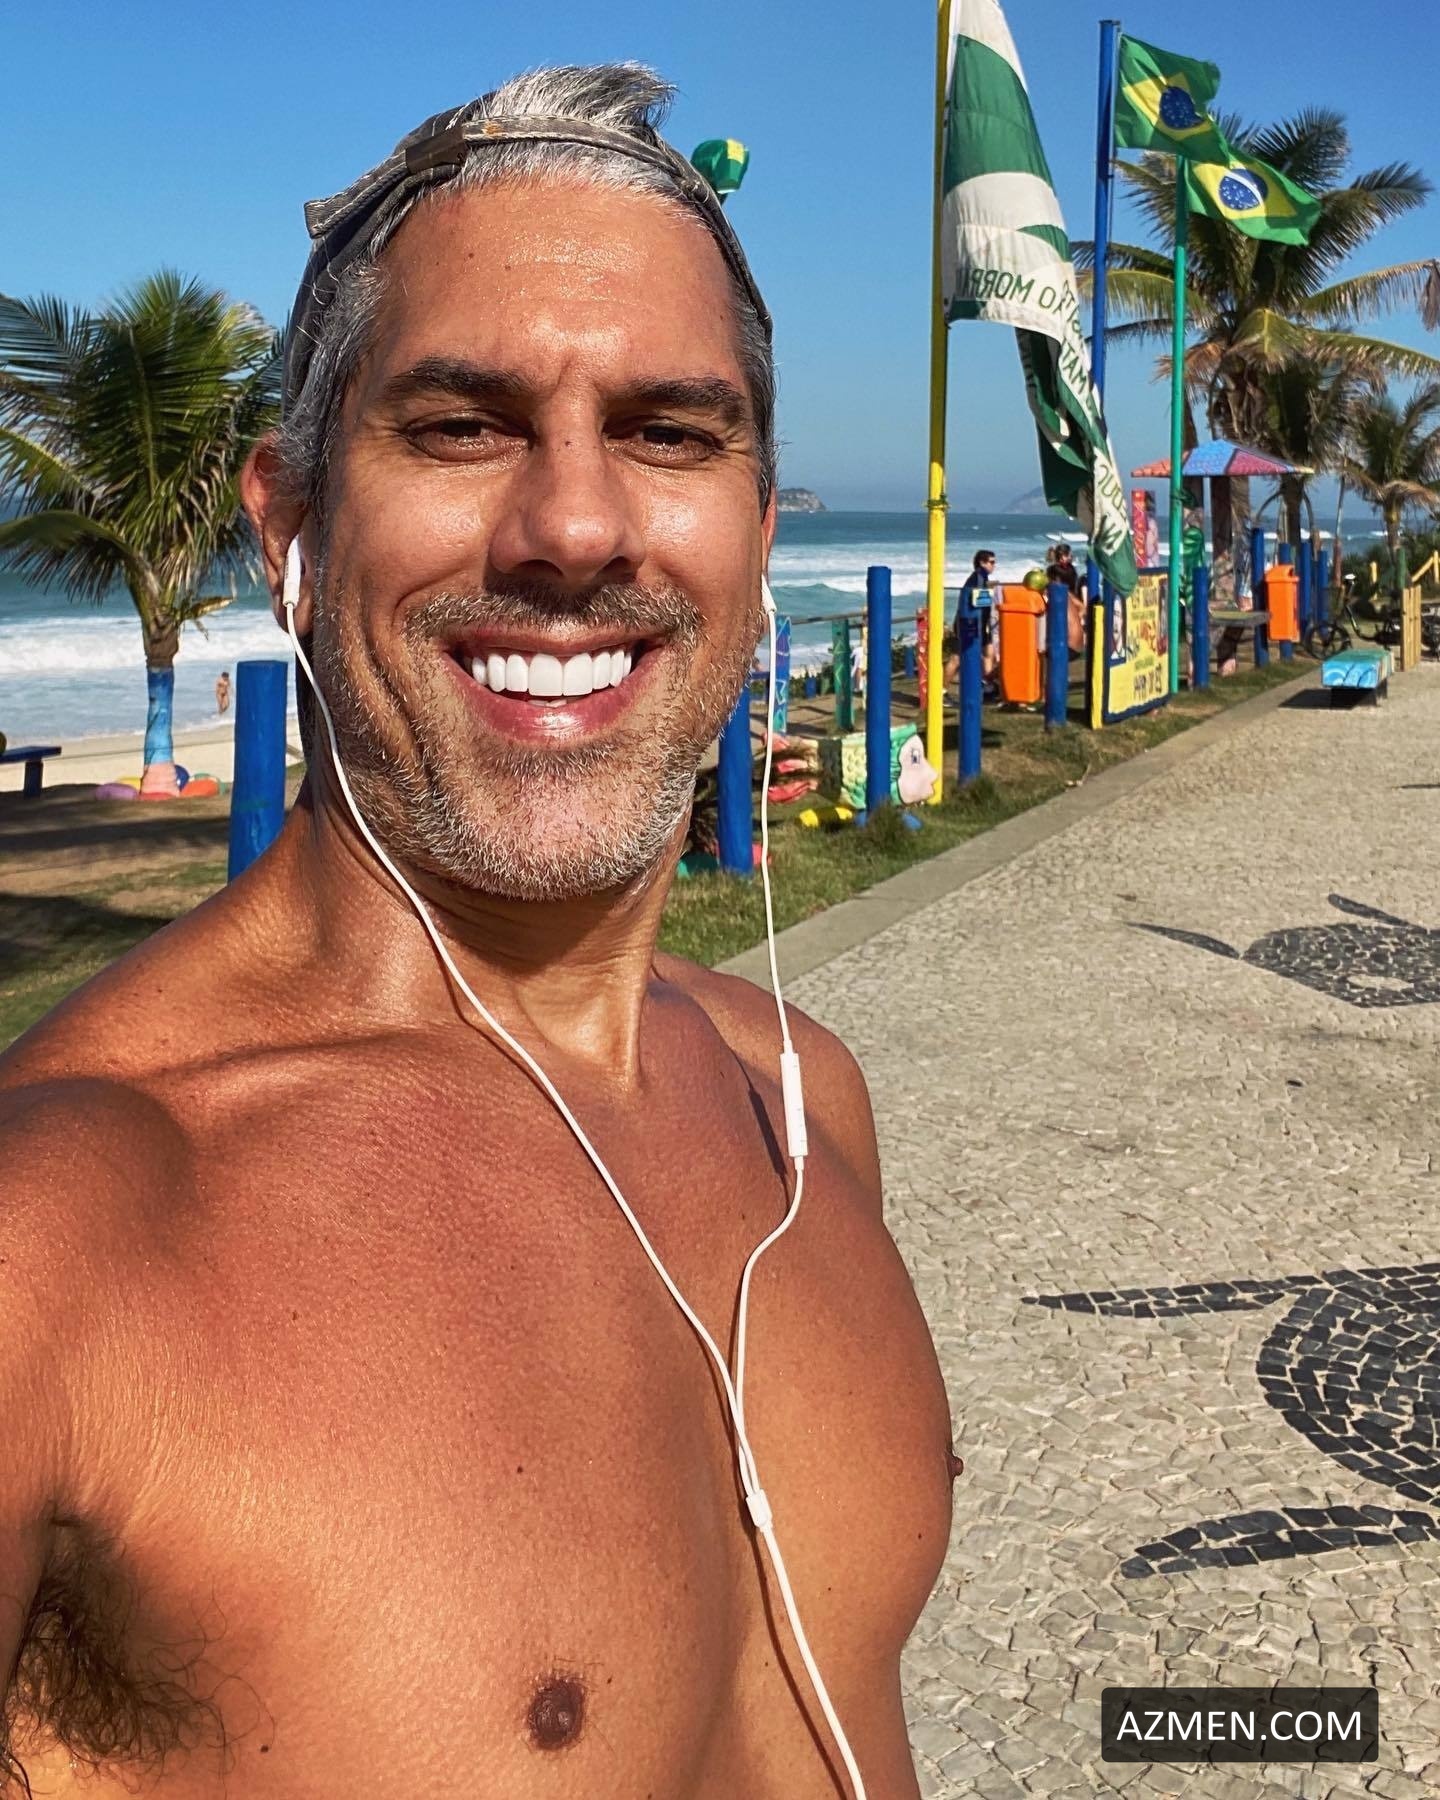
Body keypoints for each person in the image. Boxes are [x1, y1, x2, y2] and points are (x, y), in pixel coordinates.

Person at [0, 67, 955, 1799]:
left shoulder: (800, 1103)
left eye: (670, 432)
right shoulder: (66, 1238)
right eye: (460, 427)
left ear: (756, 533)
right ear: (289, 524)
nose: (576, 527)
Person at [943, 548, 1000, 698]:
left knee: (989, 652)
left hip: (980, 623)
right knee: (957, 658)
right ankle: (942, 690)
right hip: (970, 623)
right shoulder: (978, 577)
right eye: (991, 562)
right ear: (982, 562)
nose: (994, 565)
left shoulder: (982, 577)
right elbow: (978, 600)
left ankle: (988, 686)